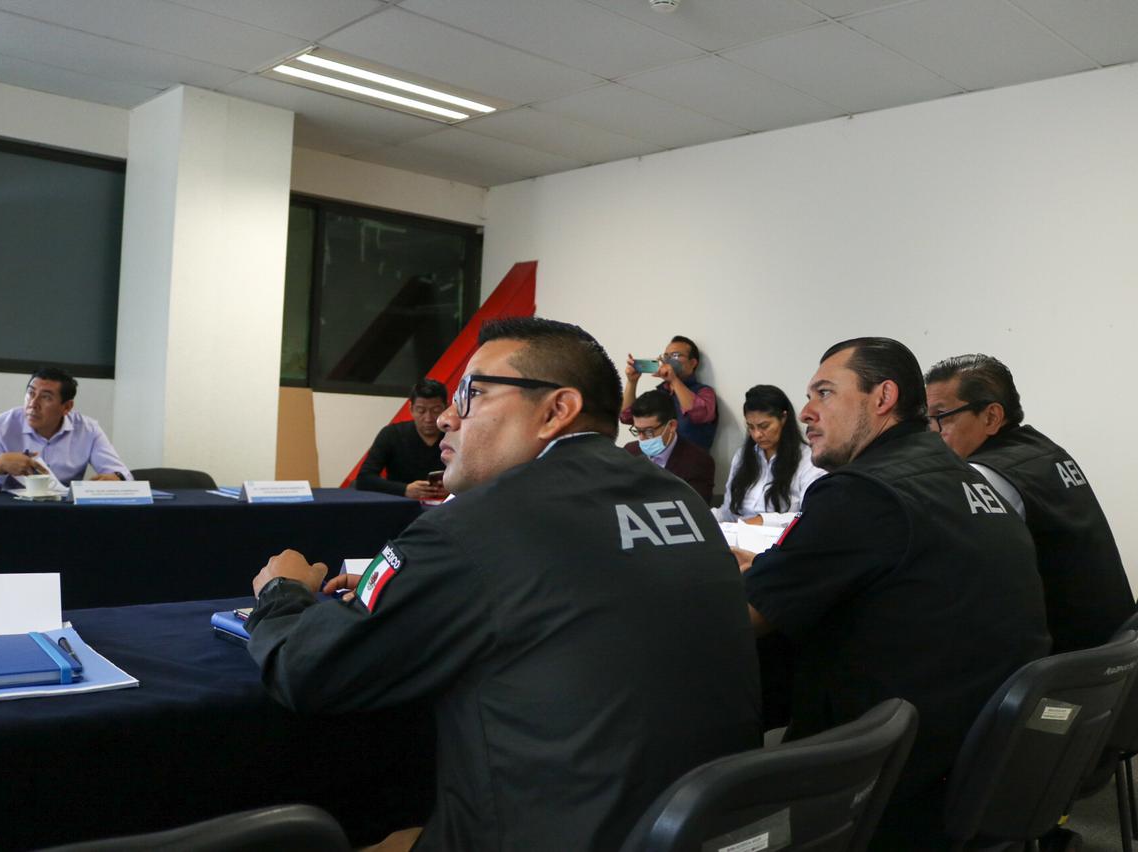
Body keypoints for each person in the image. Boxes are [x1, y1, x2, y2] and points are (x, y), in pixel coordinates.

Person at [244, 317, 761, 852]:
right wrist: (423, 584)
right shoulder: (681, 501)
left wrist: (282, 593)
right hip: (701, 829)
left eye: (473, 393)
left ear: (556, 410)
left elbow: (307, 671)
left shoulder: (473, 525)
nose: (447, 417)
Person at [740, 337, 1049, 849]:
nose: (807, 412)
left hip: (897, 782)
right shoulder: (965, 478)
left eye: (824, 393)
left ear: (883, 397)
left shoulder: (863, 491)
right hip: (991, 764)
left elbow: (747, 614)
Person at [925, 353, 1134, 654]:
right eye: (926, 419)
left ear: (991, 417)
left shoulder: (986, 477)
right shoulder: (1043, 449)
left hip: (1064, 657)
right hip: (1106, 644)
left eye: (942, 416)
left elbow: (953, 572)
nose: (932, 431)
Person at [0, 367, 131, 491]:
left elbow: (124, 475)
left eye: (46, 397)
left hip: (66, 512)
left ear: (66, 407)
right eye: (30, 393)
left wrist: (117, 478)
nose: (33, 403)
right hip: (13, 511)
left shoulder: (88, 430)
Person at [713, 384, 825, 526]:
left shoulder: (808, 460)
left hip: (779, 537)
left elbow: (809, 515)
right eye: (751, 427)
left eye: (764, 426)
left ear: (783, 418)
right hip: (738, 533)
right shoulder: (742, 456)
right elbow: (728, 513)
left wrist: (762, 521)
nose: (757, 435)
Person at [354, 378, 450, 501]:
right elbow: (364, 479)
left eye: (435, 411)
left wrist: (453, 488)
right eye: (421, 411)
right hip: (399, 505)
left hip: (446, 506)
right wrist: (404, 489)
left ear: (446, 408)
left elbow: (471, 477)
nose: (428, 418)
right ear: (411, 409)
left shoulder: (455, 436)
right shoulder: (392, 434)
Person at [620, 334, 718, 449]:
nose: (669, 360)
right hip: (656, 456)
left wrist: (674, 380)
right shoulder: (659, 393)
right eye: (666, 356)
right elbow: (626, 417)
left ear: (693, 363)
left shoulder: (704, 392)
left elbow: (700, 415)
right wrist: (632, 381)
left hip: (689, 458)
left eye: (675, 355)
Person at [622, 389, 715, 500]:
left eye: (649, 431)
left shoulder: (698, 462)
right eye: (637, 430)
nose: (642, 438)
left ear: (671, 426)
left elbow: (696, 508)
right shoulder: (630, 452)